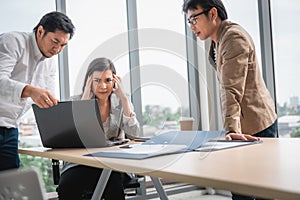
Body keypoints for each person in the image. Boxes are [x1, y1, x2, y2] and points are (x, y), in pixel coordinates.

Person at [182, 0, 277, 199]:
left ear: (213, 13)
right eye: (188, 20)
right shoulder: (217, 41)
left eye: (194, 19)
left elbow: (230, 88)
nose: (191, 26)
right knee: (240, 190)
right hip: (243, 126)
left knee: (260, 192)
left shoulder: (233, 38)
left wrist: (231, 130)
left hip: (258, 125)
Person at [0, 11, 75, 171]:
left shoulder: (50, 64)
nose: (57, 49)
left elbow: (49, 103)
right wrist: (30, 91)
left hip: (10, 128)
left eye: (63, 45)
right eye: (55, 41)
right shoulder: (12, 41)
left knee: (9, 186)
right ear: (40, 31)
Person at [56, 57, 140, 200]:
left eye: (107, 80)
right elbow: (74, 135)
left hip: (110, 164)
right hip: (80, 163)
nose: (103, 86)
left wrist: (124, 99)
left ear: (115, 81)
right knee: (67, 186)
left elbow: (134, 134)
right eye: (97, 80)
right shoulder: (75, 102)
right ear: (89, 81)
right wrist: (85, 99)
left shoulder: (120, 103)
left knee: (114, 187)